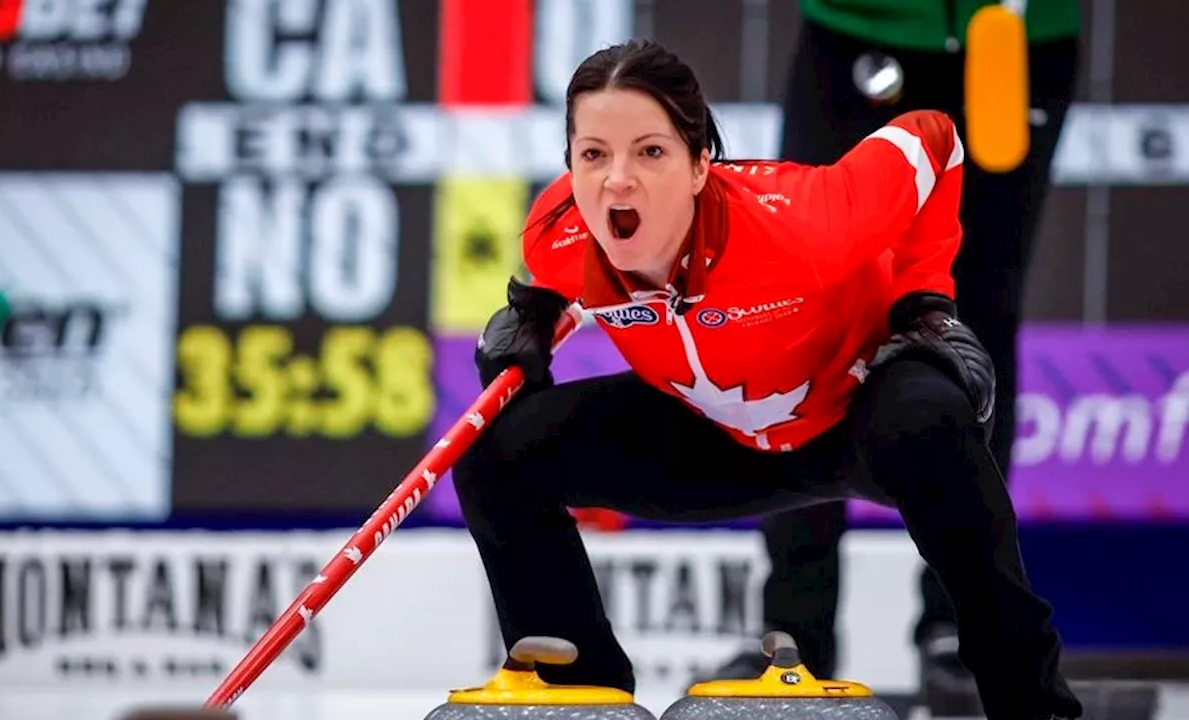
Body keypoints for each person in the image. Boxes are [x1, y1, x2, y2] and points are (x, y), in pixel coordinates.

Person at [455, 38, 1081, 720]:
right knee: (493, 449)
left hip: (854, 419)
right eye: (593, 155)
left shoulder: (806, 222)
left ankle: (1031, 704)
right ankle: (578, 693)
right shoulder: (559, 234)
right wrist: (536, 310)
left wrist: (923, 304)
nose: (617, 180)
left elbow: (935, 141)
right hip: (714, 435)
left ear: (700, 165)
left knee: (929, 416)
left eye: (651, 152)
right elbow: (562, 255)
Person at [695, 1, 1080, 711]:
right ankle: (795, 629)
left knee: (976, 321)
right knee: (806, 297)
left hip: (1015, 43)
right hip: (859, 27)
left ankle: (964, 627)